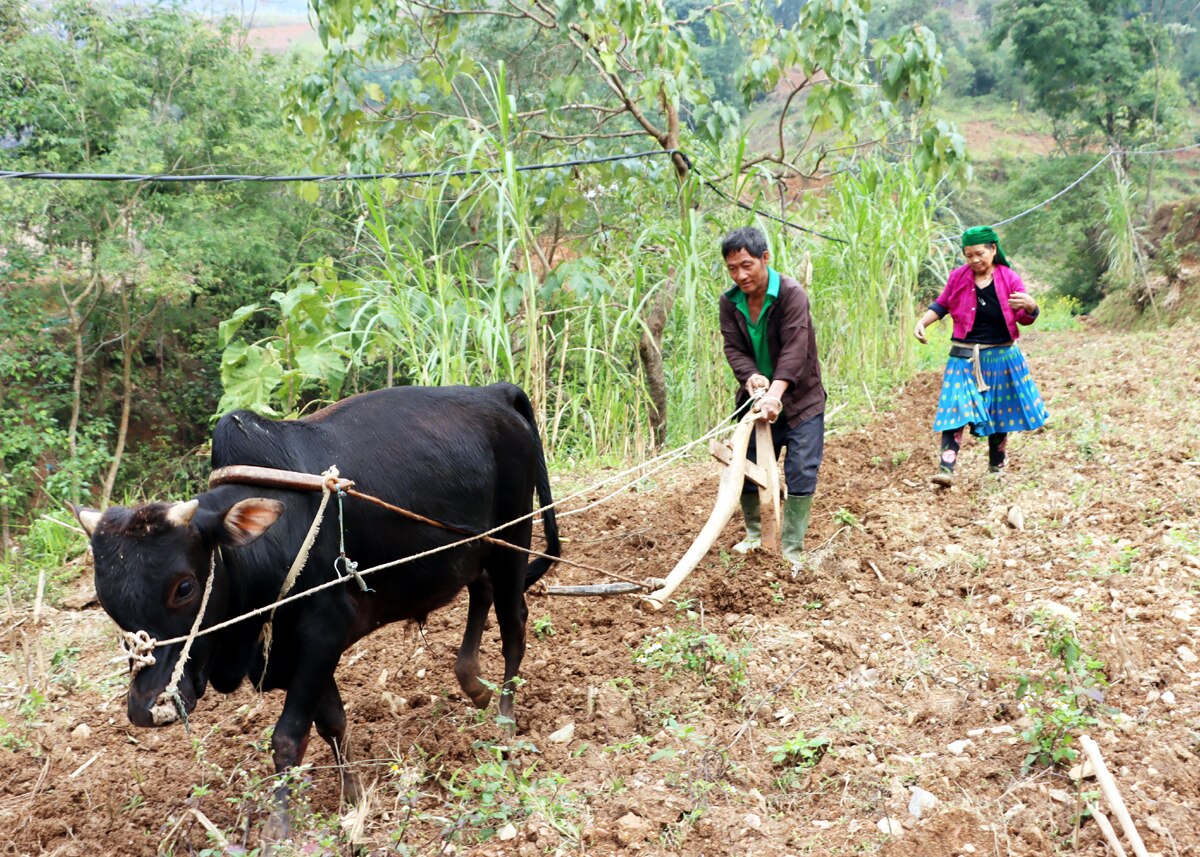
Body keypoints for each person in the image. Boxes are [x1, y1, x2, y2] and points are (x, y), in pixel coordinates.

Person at [718, 226, 826, 564]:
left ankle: (792, 549)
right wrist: (751, 379)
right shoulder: (729, 301)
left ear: (765, 258)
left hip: (800, 400)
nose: (740, 275)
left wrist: (775, 395)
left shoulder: (791, 294)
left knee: (801, 470)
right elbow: (733, 348)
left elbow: (796, 350)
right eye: (732, 268)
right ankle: (754, 536)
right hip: (755, 399)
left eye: (747, 265)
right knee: (746, 466)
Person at [914, 226, 1048, 487]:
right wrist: (923, 321)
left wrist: (1032, 307)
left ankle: (996, 467)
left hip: (1000, 355)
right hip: (963, 357)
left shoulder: (1010, 279)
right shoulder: (958, 278)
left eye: (979, 253)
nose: (974, 260)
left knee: (1000, 413)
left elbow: (1024, 317)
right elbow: (942, 304)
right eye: (968, 255)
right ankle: (946, 468)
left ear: (993, 250)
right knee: (955, 409)